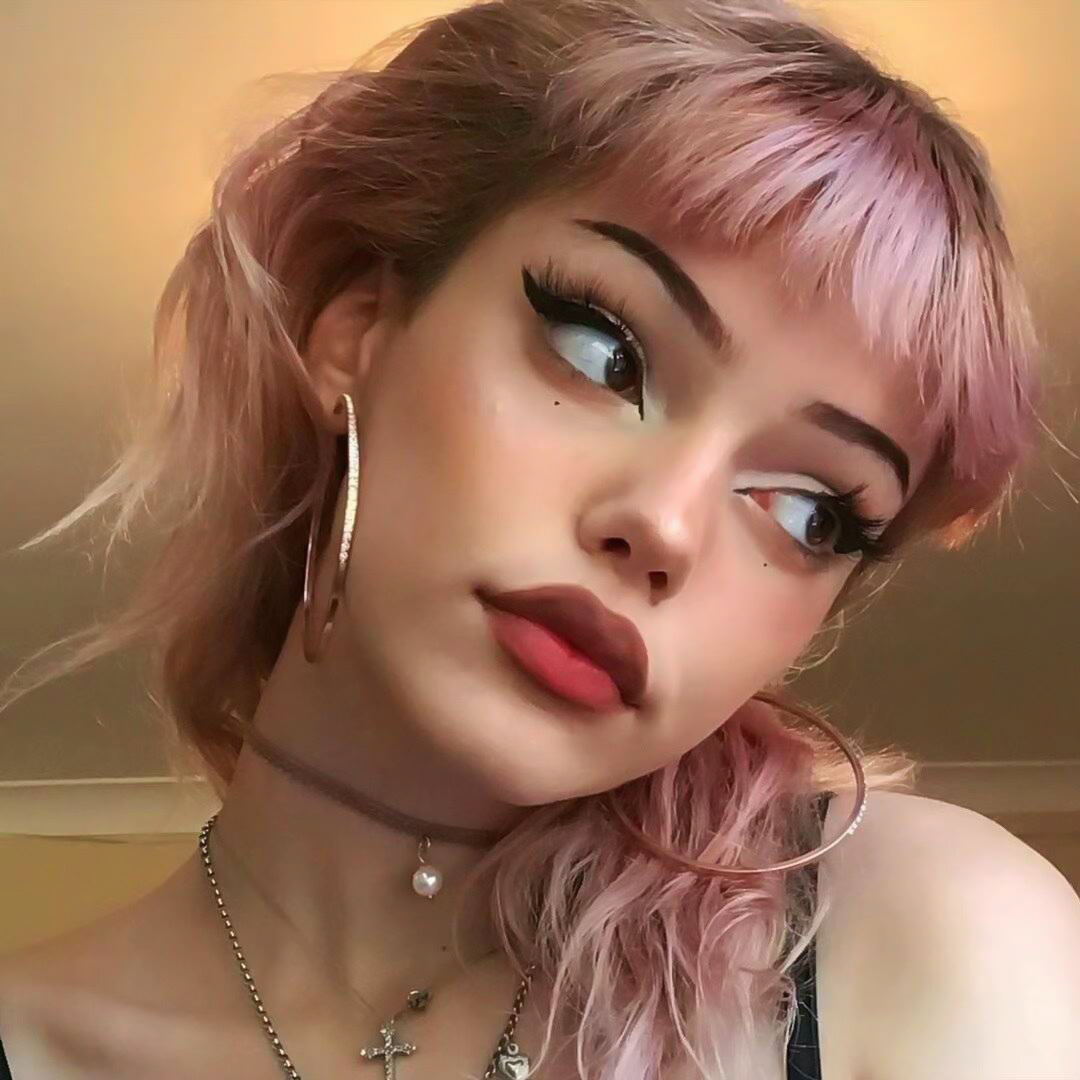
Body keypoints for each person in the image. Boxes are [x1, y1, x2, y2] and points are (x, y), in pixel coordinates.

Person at [1, 0, 1078, 1076]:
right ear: (356, 327)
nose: (663, 527)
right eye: (606, 353)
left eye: (810, 512)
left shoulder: (933, 941)